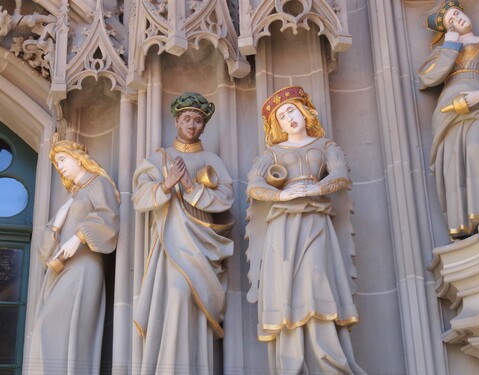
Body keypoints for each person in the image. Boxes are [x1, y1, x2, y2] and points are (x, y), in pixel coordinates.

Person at [245, 86, 365, 374]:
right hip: (283, 226)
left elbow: (340, 174)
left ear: (304, 110)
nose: (289, 118)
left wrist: (317, 187)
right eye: (283, 116)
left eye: (292, 110)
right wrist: (283, 195)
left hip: (314, 221)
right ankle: (291, 365)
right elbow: (254, 185)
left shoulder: (325, 147)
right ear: (278, 125)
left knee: (316, 278)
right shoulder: (272, 153)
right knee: (286, 291)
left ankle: (329, 362)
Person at [132, 92, 234, 374]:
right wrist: (167, 185)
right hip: (172, 243)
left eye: (198, 121)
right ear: (176, 121)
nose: (192, 125)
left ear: (204, 127)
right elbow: (139, 198)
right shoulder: (159, 158)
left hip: (203, 243)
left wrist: (190, 187)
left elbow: (226, 198)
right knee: (176, 294)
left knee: (197, 303)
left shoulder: (211, 158)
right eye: (187, 118)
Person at [28, 140, 120, 374]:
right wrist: (57, 225)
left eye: (62, 159)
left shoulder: (98, 183)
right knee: (43, 328)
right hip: (59, 270)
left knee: (55, 327)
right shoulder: (72, 195)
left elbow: (108, 216)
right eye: (56, 162)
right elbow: (44, 251)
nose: (59, 166)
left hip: (83, 266)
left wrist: (78, 237)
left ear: (78, 158)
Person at [418, 0, 479, 238]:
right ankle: (466, 223)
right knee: (455, 160)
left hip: (478, 104)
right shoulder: (445, 48)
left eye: (457, 13)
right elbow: (427, 78)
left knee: (476, 145)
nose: (457, 19)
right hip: (448, 110)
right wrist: (450, 45)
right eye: (450, 21)